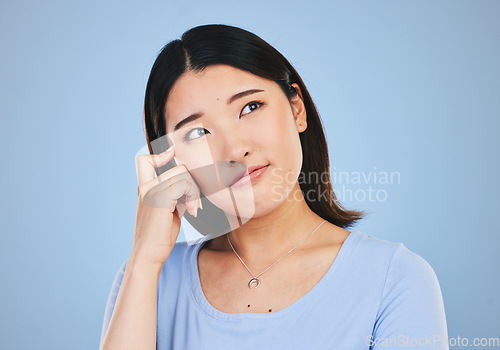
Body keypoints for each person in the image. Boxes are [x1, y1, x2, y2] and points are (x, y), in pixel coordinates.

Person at [99, 24, 449, 350]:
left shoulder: (394, 278)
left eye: (250, 107)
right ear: (169, 159)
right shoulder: (148, 279)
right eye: (197, 133)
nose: (235, 150)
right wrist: (144, 260)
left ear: (297, 108)